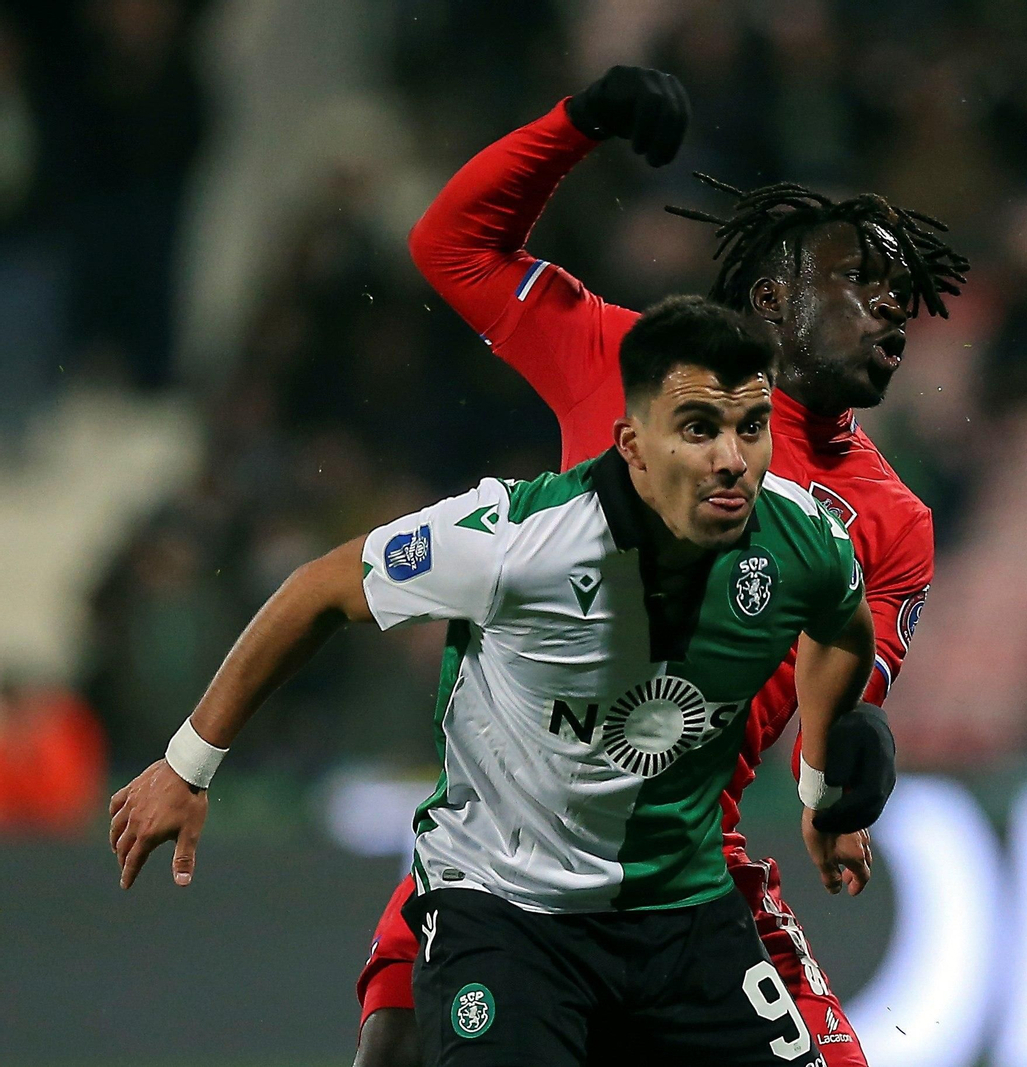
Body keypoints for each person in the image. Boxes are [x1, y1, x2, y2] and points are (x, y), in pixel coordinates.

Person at [352, 66, 970, 1067]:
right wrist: (574, 125)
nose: (895, 308)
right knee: (397, 1048)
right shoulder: (623, 361)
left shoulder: (891, 524)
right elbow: (452, 247)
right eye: (863, 282)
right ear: (774, 299)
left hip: (683, 874)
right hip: (509, 852)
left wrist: (840, 772)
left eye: (903, 294)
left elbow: (833, 706)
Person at [110, 296, 875, 1067]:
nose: (732, 461)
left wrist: (819, 788)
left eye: (751, 426)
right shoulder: (516, 541)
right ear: (634, 445)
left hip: (682, 909)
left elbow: (845, 627)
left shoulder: (800, 538)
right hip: (509, 912)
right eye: (700, 428)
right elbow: (319, 591)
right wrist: (188, 763)